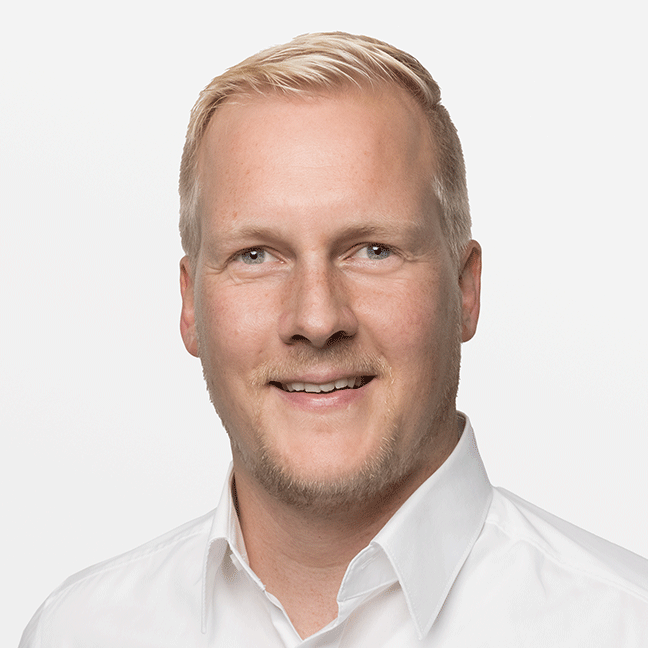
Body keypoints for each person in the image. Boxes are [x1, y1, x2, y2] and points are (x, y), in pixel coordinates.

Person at [20, 31, 648, 647]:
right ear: (190, 305)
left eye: (373, 251)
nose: (317, 320)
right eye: (256, 255)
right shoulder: (75, 633)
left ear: (465, 290)